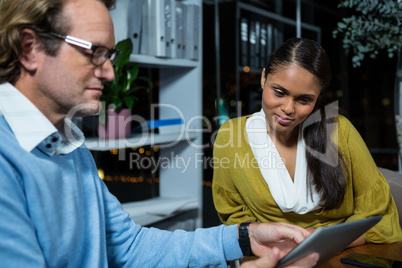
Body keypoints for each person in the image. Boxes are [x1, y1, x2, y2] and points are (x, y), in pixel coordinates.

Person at [0, 0, 320, 267]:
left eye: (108, 55)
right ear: (30, 49)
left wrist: (244, 237)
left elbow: (129, 245)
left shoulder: (68, 144)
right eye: (94, 52)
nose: (110, 72)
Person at [212, 38, 402, 248]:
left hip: (341, 250)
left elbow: (379, 216)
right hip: (272, 254)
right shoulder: (231, 135)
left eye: (304, 100)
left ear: (317, 97)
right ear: (264, 78)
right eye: (279, 92)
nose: (288, 108)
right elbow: (235, 217)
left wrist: (322, 240)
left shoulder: (339, 130)